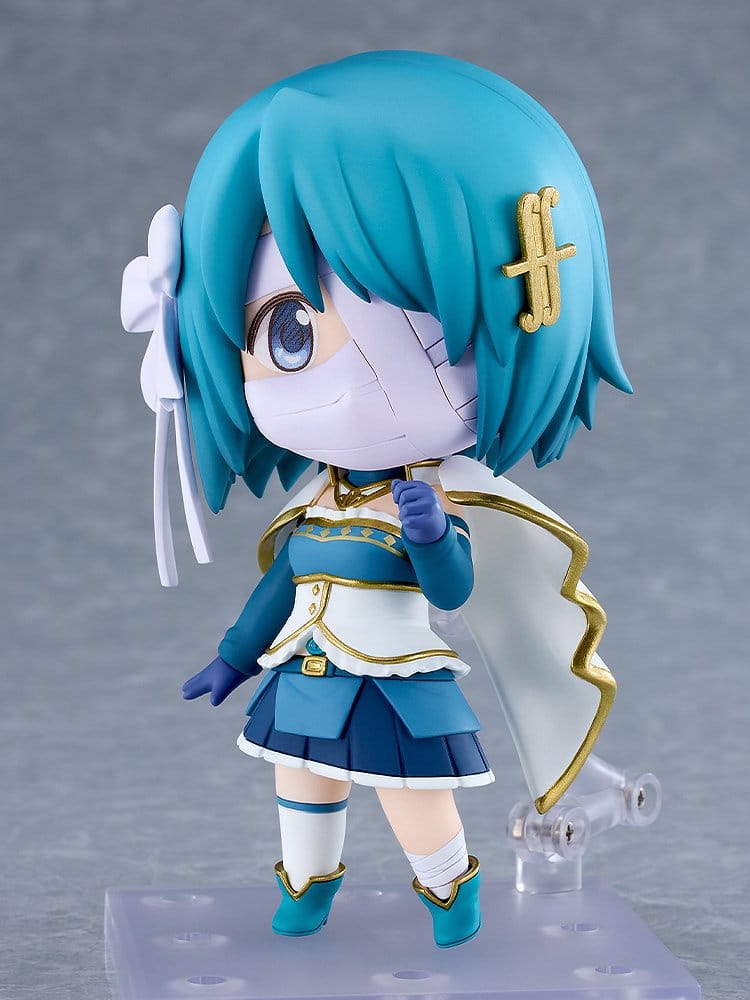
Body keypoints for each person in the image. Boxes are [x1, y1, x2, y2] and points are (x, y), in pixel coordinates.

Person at [121, 50, 630, 948]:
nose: (354, 392)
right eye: (287, 331)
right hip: (308, 669)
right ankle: (306, 888)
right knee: (300, 783)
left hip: (395, 677)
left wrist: (432, 537)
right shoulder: (315, 506)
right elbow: (279, 588)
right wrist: (234, 658)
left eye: (427, 334)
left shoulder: (428, 499)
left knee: (411, 795)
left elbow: (454, 589)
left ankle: (450, 890)